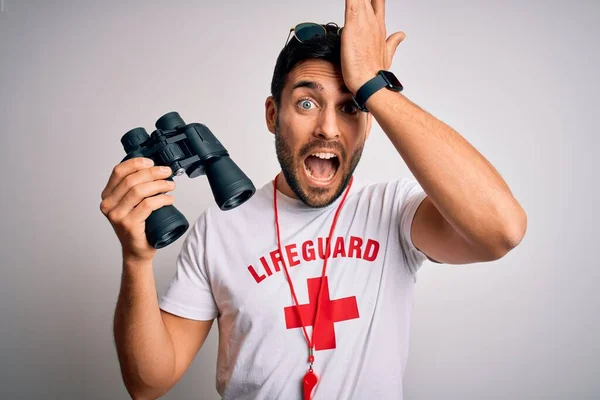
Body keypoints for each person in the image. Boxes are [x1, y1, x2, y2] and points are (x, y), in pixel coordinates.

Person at [100, 1, 527, 399]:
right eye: (307, 102)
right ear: (273, 115)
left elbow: (501, 230)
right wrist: (136, 259)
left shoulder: (395, 211)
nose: (328, 128)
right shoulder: (218, 229)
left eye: (350, 108)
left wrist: (374, 87)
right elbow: (148, 383)